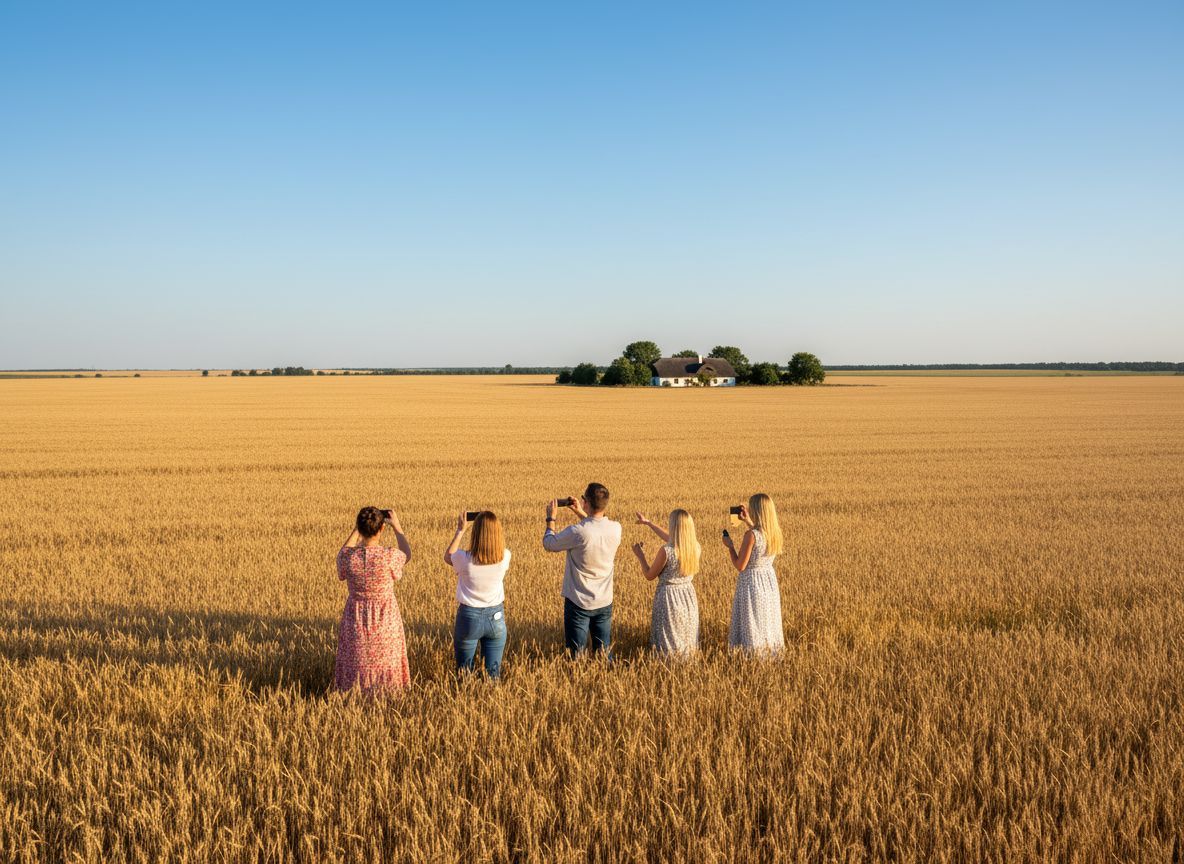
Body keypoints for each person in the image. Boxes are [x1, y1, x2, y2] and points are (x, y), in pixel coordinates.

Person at [334, 506, 413, 693]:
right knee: (387, 664)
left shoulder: (348, 558)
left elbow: (341, 554)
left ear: (359, 529)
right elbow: (407, 555)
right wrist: (397, 527)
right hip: (386, 621)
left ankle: (353, 700)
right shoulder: (389, 556)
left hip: (355, 620)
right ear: (381, 529)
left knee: (356, 662)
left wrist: (357, 529)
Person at [543, 483, 622, 658]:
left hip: (579, 602)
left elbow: (549, 544)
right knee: (604, 652)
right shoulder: (616, 528)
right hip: (604, 601)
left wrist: (551, 519)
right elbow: (595, 527)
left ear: (586, 502)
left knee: (576, 655)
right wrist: (581, 512)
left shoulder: (577, 531)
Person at [444, 510, 510, 679]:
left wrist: (460, 530)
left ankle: (466, 699)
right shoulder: (505, 556)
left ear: (476, 533)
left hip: (469, 617)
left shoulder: (464, 559)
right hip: (496, 617)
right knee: (493, 676)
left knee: (464, 674)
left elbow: (447, 556)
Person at [632, 509, 701, 656]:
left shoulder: (666, 551)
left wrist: (640, 556)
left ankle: (668, 667)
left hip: (669, 598)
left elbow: (649, 575)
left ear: (673, 526)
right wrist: (649, 523)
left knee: (668, 638)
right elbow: (671, 538)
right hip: (688, 596)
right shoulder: (695, 546)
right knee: (685, 636)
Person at [724, 493, 785, 652]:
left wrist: (730, 546)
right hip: (768, 582)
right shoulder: (773, 533)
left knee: (751, 621)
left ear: (757, 510)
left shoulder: (750, 535)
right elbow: (759, 535)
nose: (749, 509)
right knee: (766, 620)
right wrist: (747, 521)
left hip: (751, 584)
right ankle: (769, 654)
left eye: (751, 507)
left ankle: (752, 656)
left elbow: (740, 566)